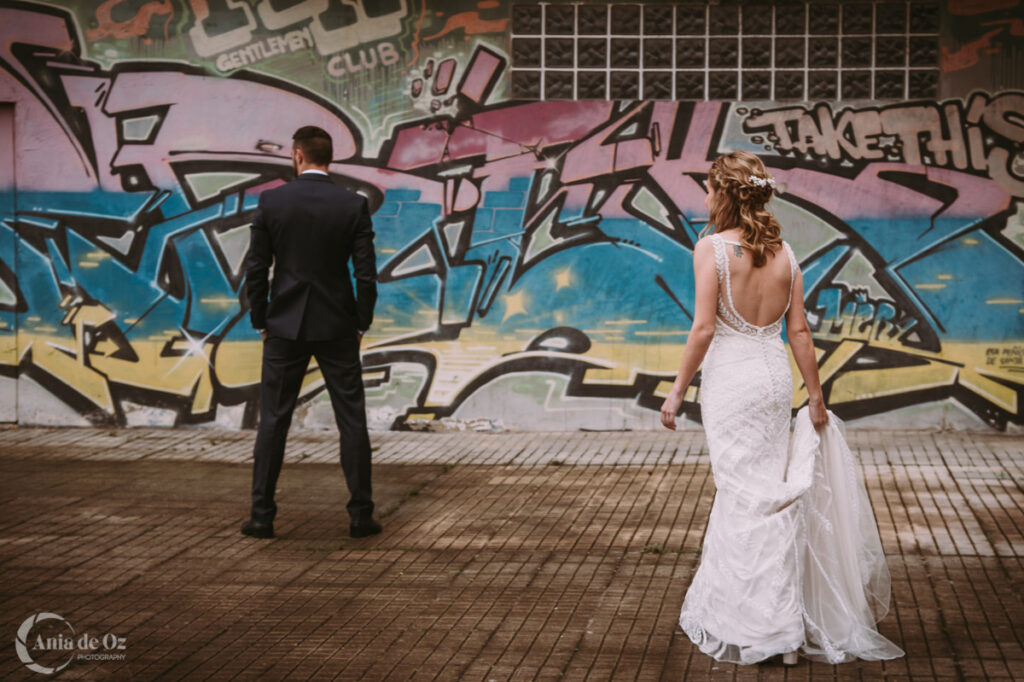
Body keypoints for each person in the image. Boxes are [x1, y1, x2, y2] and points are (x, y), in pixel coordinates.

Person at [660, 151, 904, 665]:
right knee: (771, 496)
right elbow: (799, 331)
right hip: (774, 382)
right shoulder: (787, 253)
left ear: (724, 194)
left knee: (742, 496)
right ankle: (783, 629)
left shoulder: (710, 249)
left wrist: (677, 389)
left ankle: (763, 629)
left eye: (708, 188)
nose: (705, 198)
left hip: (730, 382)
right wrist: (815, 396)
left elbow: (704, 328)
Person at [241, 125, 381, 540]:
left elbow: (256, 268)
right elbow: (367, 274)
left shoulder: (272, 201)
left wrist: (261, 320)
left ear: (297, 155)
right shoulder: (352, 205)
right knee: (351, 419)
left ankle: (262, 517)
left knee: (274, 421)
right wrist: (361, 321)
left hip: (284, 325)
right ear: (329, 157)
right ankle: (360, 515)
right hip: (338, 324)